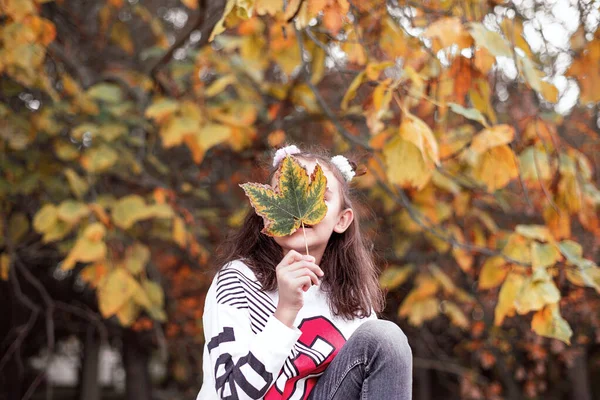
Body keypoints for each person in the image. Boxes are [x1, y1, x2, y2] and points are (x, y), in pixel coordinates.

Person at [197, 145, 413, 400]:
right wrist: (285, 312)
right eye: (282, 196)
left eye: (319, 196)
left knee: (385, 339)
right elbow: (230, 395)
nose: (299, 210)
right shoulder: (237, 280)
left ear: (342, 220)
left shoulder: (351, 299)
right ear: (266, 214)